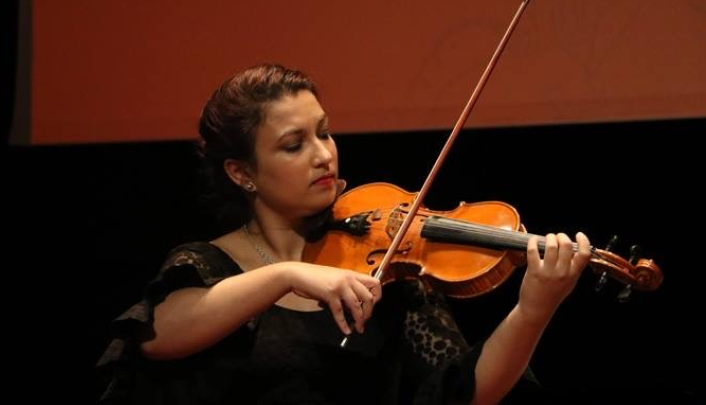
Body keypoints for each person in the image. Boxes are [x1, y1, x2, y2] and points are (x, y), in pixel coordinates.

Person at [96, 64, 591, 405]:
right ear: (242, 172)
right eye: (294, 145)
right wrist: (287, 275)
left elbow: (465, 392)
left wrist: (533, 310)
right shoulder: (207, 264)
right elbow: (156, 338)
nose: (323, 155)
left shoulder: (387, 270)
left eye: (324, 132)